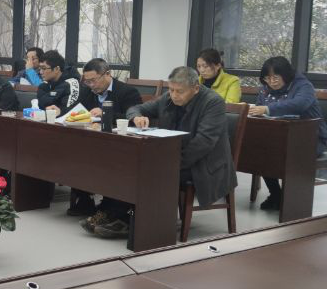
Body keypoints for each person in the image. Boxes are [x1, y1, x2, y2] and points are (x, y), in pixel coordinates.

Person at [96, 66, 235, 240]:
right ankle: (118, 216)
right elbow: (135, 108)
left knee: (151, 172)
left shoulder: (213, 102)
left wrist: (172, 163)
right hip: (174, 157)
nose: (174, 95)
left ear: (195, 88)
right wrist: (136, 117)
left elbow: (203, 143)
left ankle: (137, 222)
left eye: (180, 91)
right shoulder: (168, 98)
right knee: (131, 166)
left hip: (204, 164)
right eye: (171, 89)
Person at [251, 56, 327, 210]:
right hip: (279, 137)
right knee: (260, 153)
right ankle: (276, 194)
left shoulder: (303, 85)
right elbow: (259, 106)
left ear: (286, 74)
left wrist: (268, 109)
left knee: (283, 155)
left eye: (275, 77)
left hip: (311, 139)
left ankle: (291, 201)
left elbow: (299, 104)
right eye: (267, 78)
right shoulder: (265, 88)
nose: (271, 82)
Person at [75, 59, 143, 225]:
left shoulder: (127, 92)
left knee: (109, 163)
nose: (91, 85)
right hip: (93, 143)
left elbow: (133, 118)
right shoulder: (87, 91)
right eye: (87, 81)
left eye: (94, 80)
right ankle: (84, 200)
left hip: (120, 146)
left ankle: (112, 209)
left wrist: (106, 114)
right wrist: (60, 111)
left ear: (107, 74)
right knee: (74, 153)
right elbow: (76, 110)